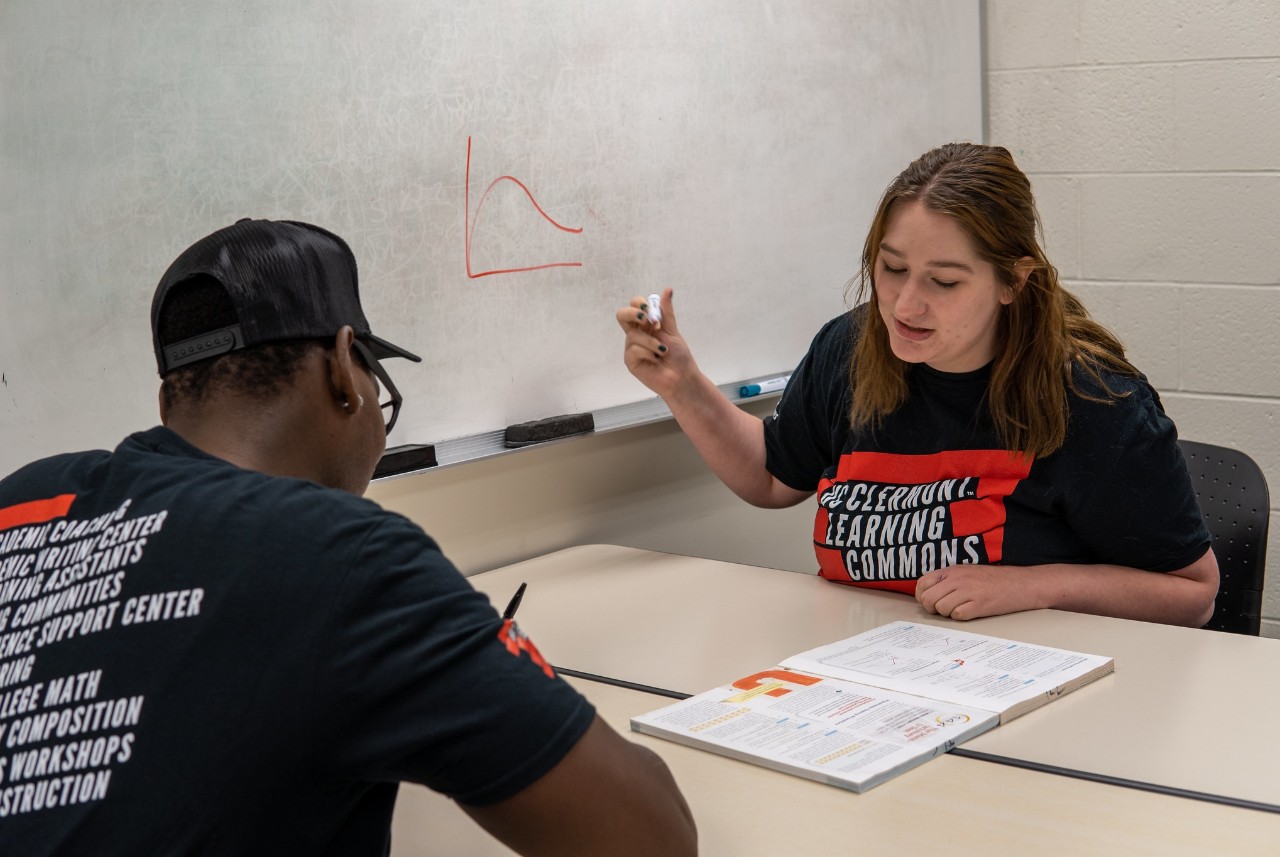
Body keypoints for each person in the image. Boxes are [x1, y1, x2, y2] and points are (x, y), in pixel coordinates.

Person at [0, 219, 697, 856]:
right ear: (343, 368)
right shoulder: (339, 554)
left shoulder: (22, 502)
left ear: (168, 401)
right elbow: (651, 837)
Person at [617, 143, 1218, 627]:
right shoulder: (849, 349)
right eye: (892, 268)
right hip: (871, 675)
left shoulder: (1093, 398)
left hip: (1035, 681)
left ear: (1013, 282)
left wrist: (1031, 585)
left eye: (945, 282)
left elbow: (1192, 593)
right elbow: (774, 476)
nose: (906, 305)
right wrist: (684, 385)